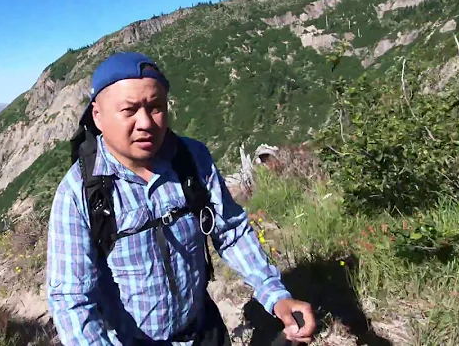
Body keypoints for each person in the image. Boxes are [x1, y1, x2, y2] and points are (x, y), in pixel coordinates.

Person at [46, 51, 316, 345]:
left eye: (156, 107)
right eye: (129, 110)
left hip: (203, 331)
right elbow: (70, 298)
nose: (146, 122)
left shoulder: (191, 160)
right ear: (97, 116)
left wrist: (276, 295)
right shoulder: (79, 192)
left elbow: (232, 232)